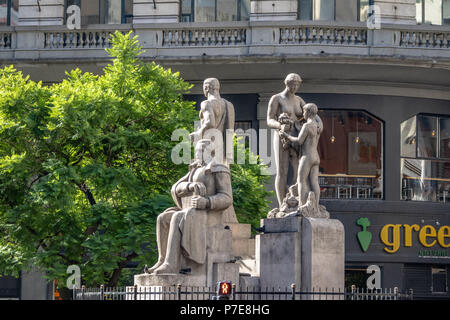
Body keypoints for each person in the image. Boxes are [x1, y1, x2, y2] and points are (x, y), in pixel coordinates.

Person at [147, 139, 233, 275]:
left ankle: (171, 264)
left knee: (177, 216)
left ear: (209, 152)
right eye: (196, 150)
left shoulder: (219, 169)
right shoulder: (195, 169)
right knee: (163, 218)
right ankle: (162, 259)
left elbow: (227, 198)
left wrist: (206, 202)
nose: (196, 153)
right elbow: (175, 188)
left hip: (209, 216)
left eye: (200, 151)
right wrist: (190, 186)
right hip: (192, 213)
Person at [267, 73, 306, 207]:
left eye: (297, 85)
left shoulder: (299, 100)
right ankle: (281, 204)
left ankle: (294, 199)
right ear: (286, 83)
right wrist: (280, 125)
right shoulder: (277, 98)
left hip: (295, 136)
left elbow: (311, 114)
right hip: (281, 136)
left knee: (298, 170)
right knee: (282, 171)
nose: (294, 87)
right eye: (292, 84)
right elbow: (269, 119)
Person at [280, 103, 323, 208]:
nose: (302, 113)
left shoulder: (307, 125)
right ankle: (315, 206)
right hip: (316, 157)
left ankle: (302, 205)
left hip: (307, 157)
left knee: (301, 181)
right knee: (314, 182)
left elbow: (299, 141)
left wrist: (286, 135)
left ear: (308, 112)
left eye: (304, 111)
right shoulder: (317, 126)